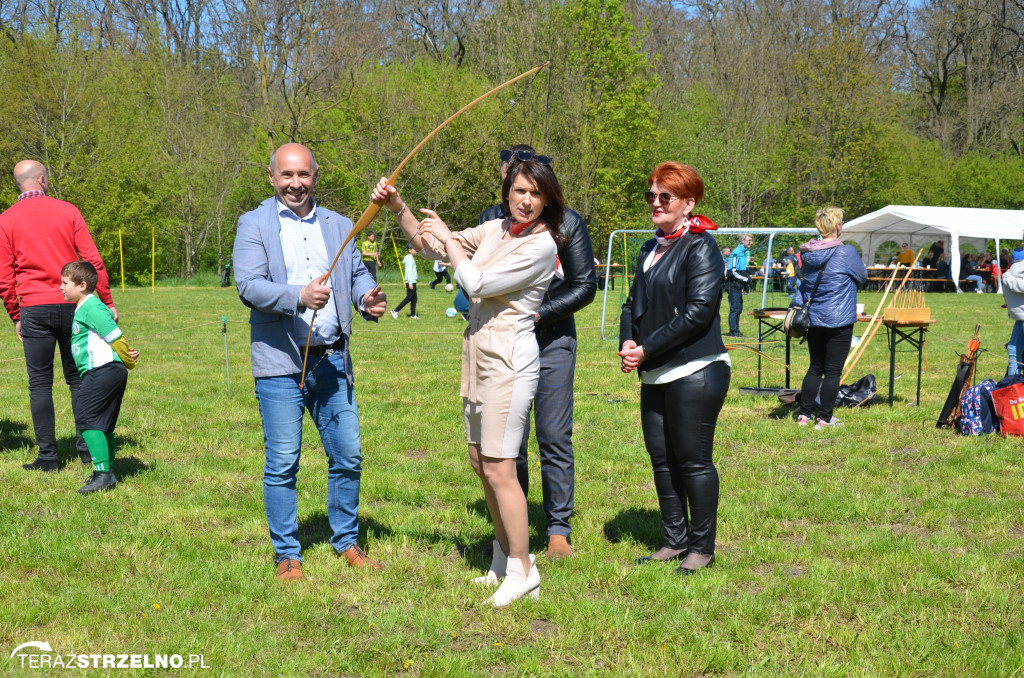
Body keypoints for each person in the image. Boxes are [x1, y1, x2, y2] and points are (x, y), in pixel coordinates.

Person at [372, 155, 563, 606]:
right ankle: (501, 559)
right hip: (477, 356)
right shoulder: (496, 229)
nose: (526, 201)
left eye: (536, 194)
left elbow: (474, 282)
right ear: (508, 192)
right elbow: (432, 248)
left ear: (547, 199)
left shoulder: (542, 246)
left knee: (502, 468)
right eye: (519, 191)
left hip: (509, 363)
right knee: (481, 462)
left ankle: (523, 569)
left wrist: (453, 243)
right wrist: (399, 206)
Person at [233, 143, 388, 582]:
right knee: (283, 461)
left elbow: (356, 273)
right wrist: (298, 296)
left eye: (303, 175)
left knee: (348, 455)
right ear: (271, 177)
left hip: (333, 359)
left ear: (315, 176)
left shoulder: (339, 224)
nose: (295, 184)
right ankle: (288, 554)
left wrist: (366, 297)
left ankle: (346, 542)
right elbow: (249, 285)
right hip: (280, 361)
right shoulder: (253, 224)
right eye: (286, 175)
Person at [478, 145, 597, 559]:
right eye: (515, 182)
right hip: (503, 343)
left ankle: (558, 529)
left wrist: (535, 316)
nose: (524, 195)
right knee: (511, 438)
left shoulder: (567, 223)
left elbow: (585, 286)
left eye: (533, 184)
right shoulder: (490, 221)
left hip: (552, 340)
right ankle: (518, 523)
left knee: (553, 433)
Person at [618, 162, 731, 576]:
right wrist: (628, 342)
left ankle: (702, 548)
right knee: (661, 458)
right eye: (651, 195)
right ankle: (674, 539)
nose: (655, 203)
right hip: (654, 369)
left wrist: (646, 349)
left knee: (693, 460)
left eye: (665, 196)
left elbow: (699, 313)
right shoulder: (650, 248)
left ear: (688, 203)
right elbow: (632, 304)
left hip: (696, 369)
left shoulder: (702, 247)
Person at [0, 159, 116, 472]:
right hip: (73, 305)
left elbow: (3, 276)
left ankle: (48, 457)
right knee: (79, 380)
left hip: (34, 308)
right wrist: (105, 300)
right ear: (41, 179)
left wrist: (15, 314)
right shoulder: (68, 211)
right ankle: (88, 451)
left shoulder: (6, 219)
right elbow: (93, 260)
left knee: (39, 384)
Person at [59, 261, 139, 493]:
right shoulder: (85, 306)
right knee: (103, 425)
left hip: (102, 371)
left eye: (65, 283)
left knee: (87, 420)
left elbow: (115, 335)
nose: (61, 288)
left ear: (82, 285)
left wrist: (128, 359)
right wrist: (122, 354)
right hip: (107, 370)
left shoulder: (91, 307)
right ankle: (108, 471)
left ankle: (103, 474)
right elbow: (106, 340)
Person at [794, 207, 867, 430]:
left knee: (815, 367)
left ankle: (804, 415)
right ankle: (825, 419)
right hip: (839, 319)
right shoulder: (847, 252)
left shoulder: (807, 253)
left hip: (814, 318)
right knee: (833, 371)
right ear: (838, 227)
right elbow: (862, 276)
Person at [1001, 248, 1024, 376]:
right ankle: (1012, 388)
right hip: (1020, 316)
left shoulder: (1010, 273)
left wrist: (1007, 277)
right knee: (1013, 349)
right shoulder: (1016, 268)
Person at [724, 234, 751, 337]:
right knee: (735, 309)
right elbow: (733, 271)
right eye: (749, 240)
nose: (751, 243)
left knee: (738, 309)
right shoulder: (736, 253)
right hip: (733, 285)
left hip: (739, 285)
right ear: (742, 240)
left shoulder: (744, 253)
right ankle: (733, 331)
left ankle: (736, 331)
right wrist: (746, 279)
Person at [391, 244, 420, 318]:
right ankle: (395, 311)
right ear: (410, 250)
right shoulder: (409, 259)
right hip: (411, 281)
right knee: (409, 298)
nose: (416, 251)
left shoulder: (409, 258)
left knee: (414, 298)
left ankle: (413, 315)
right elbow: (409, 271)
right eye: (414, 249)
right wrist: (410, 283)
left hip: (412, 281)